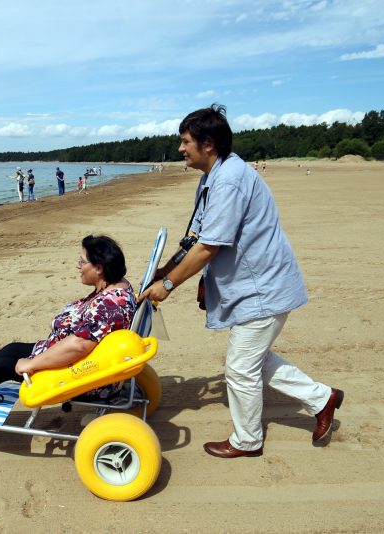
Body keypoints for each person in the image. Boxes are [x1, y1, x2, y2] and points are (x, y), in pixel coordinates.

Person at [140, 104, 343, 458]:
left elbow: (208, 247)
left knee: (239, 367)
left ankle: (247, 441)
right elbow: (194, 239)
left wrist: (168, 286)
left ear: (209, 144)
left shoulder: (230, 180)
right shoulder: (213, 178)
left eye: (185, 141)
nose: (180, 149)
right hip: (255, 287)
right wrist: (165, 270)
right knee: (253, 359)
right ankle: (322, 398)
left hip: (262, 288)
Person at [0, 235, 137, 401]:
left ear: (99, 268)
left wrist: (32, 364)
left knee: (7, 365)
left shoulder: (110, 305)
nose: (77, 266)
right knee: (13, 349)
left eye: (82, 262)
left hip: (83, 375)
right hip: (72, 356)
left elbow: (79, 345)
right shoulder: (117, 287)